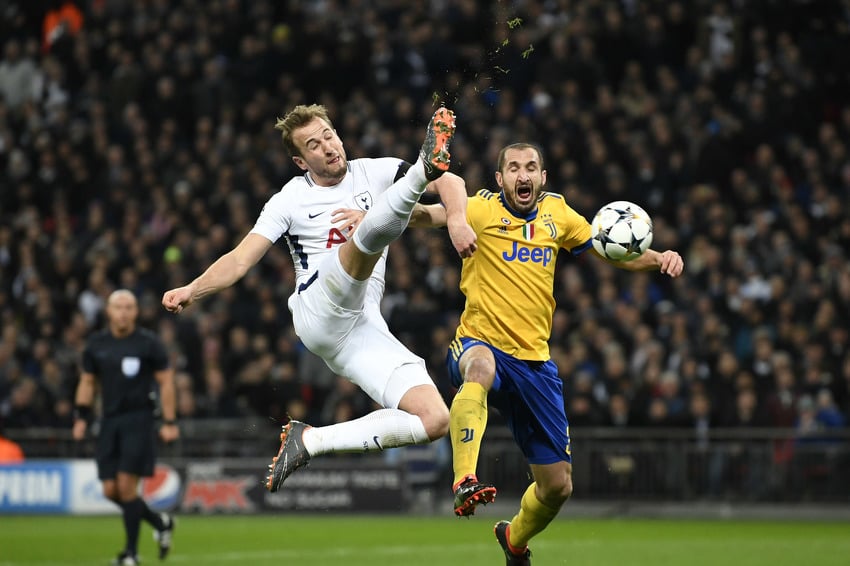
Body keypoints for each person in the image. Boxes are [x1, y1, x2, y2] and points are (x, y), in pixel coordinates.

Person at [161, 104, 476, 493]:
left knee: (433, 419)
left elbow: (452, 184)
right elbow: (241, 260)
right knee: (364, 237)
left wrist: (457, 219)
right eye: (313, 144)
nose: (327, 147)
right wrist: (192, 289)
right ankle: (420, 169)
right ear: (300, 160)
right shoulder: (289, 200)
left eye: (328, 135)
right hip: (318, 309)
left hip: (361, 327)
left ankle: (309, 441)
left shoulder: (371, 171)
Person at [412, 143, 684, 565]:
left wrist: (659, 258)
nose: (524, 174)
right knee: (478, 369)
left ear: (543, 178)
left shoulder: (559, 215)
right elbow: (426, 213)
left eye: (532, 167)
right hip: (479, 341)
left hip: (535, 364)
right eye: (514, 168)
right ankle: (464, 477)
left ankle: (514, 539)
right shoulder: (481, 209)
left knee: (557, 487)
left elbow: (611, 249)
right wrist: (377, 219)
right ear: (500, 179)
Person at [72, 289, 178, 566]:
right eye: (118, 306)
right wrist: (81, 416)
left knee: (127, 488)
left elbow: (166, 381)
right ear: (108, 311)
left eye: (129, 307)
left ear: (136, 312)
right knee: (110, 491)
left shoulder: (148, 343)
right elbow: (87, 382)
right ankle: (160, 522)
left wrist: (169, 421)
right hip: (108, 421)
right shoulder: (96, 344)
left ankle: (130, 554)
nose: (123, 312)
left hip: (139, 421)